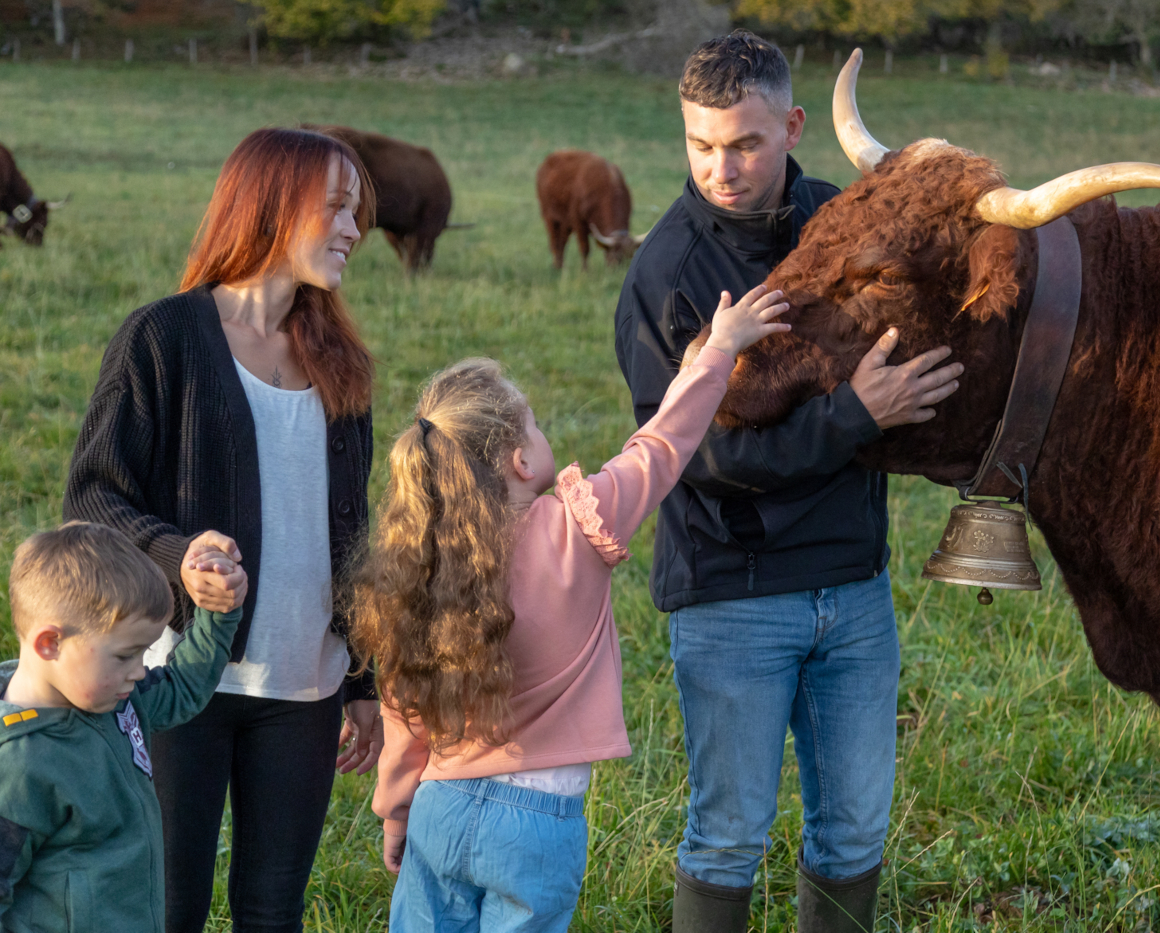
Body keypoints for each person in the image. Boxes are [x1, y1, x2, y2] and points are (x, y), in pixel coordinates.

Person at [613, 30, 965, 933]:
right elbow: (698, 457)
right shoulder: (666, 277)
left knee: (854, 832)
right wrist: (855, 417)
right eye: (701, 144)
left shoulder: (842, 221)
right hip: (732, 596)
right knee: (728, 835)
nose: (721, 168)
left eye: (745, 143)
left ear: (794, 125)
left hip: (854, 586)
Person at [355, 285, 790, 933]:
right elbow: (660, 448)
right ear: (520, 458)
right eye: (532, 421)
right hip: (537, 824)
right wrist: (718, 351)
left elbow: (402, 710)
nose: (540, 429)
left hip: (437, 809)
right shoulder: (577, 530)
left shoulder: (422, 567)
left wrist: (396, 811)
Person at [62, 128, 383, 933]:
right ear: (272, 207)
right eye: (336, 209)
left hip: (305, 689)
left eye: (357, 212)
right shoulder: (162, 338)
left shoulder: (340, 356)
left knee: (272, 912)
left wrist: (364, 681)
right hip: (177, 684)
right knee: (168, 908)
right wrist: (180, 558)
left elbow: (355, 530)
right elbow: (93, 497)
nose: (353, 229)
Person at [0, 522, 245, 932]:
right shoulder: (17, 766)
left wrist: (219, 614)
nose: (138, 671)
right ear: (49, 644)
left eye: (143, 654)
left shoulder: (114, 700)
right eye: (124, 656)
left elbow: (182, 686)